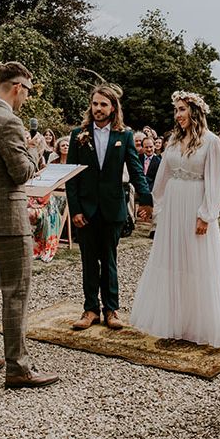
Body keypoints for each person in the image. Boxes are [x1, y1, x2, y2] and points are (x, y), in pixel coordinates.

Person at [0, 61, 59, 389]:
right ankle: (18, 367)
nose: (27, 99)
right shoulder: (9, 122)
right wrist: (35, 151)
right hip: (7, 217)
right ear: (17, 87)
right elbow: (20, 173)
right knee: (16, 291)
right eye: (28, 91)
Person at [129, 92, 220, 347]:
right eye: (176, 110)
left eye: (182, 109)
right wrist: (153, 205)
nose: (178, 115)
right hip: (173, 204)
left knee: (196, 261)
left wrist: (206, 214)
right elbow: (163, 176)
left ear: (194, 111)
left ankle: (198, 324)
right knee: (172, 259)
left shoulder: (211, 141)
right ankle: (174, 321)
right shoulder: (171, 141)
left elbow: (216, 180)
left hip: (195, 203)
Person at [65, 84, 152, 330]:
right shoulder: (77, 135)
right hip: (86, 208)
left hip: (113, 208)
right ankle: (90, 309)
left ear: (113, 107)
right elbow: (71, 176)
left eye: (104, 104)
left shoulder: (124, 135)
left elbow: (135, 169)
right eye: (95, 104)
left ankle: (111, 309)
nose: (98, 109)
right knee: (89, 261)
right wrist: (75, 210)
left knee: (110, 260)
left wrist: (146, 199)